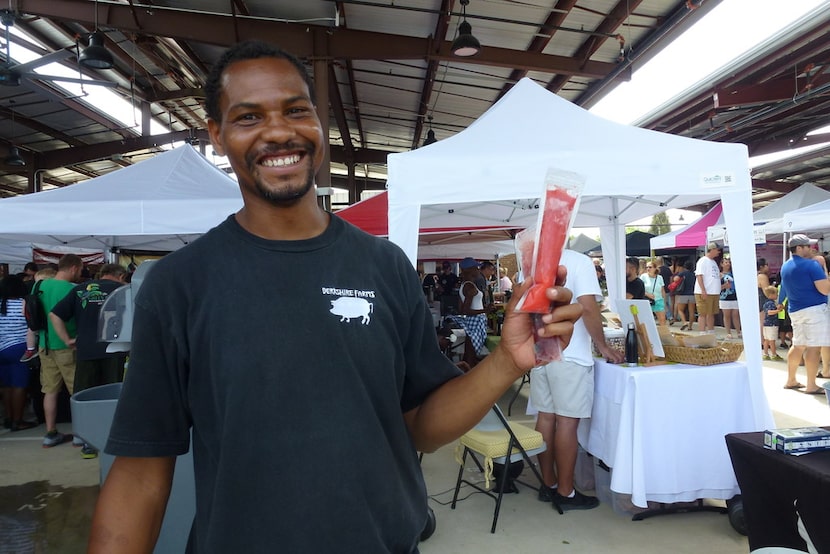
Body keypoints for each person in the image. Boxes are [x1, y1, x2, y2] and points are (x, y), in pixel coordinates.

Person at [88, 40, 581, 554]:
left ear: (318, 123)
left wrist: (505, 362)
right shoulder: (179, 284)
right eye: (249, 117)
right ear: (217, 133)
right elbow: (141, 472)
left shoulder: (385, 266)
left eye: (295, 110)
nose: (279, 131)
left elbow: (419, 428)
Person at [532, 249, 624, 512]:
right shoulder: (578, 261)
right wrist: (602, 345)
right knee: (566, 424)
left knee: (546, 417)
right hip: (570, 351)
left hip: (543, 348)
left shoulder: (536, 259)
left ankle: (548, 484)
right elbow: (588, 307)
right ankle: (565, 491)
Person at [49, 263, 129, 459]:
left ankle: (86, 442)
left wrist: (67, 339)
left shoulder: (79, 290)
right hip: (114, 349)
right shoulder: (124, 290)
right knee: (112, 396)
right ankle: (113, 440)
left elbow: (54, 314)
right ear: (119, 276)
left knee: (85, 396)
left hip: (86, 350)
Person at [38, 254, 83, 448]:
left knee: (50, 390)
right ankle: (80, 434)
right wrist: (68, 338)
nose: (80, 274)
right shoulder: (71, 289)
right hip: (68, 345)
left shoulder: (38, 286)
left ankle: (50, 432)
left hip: (44, 344)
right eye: (80, 270)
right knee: (77, 392)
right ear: (73, 268)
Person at [778, 234, 830, 394]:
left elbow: (784, 289)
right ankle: (811, 385)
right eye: (808, 246)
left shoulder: (785, 266)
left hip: (795, 310)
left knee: (798, 345)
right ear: (799, 248)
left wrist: (780, 302)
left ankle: (791, 379)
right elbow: (825, 289)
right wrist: (826, 273)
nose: (811, 248)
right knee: (813, 348)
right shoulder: (812, 266)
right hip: (814, 310)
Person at [0, 275, 37, 431]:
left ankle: (8, 418)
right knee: (19, 385)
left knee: (6, 386)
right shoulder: (23, 304)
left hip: (1, 349)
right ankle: (18, 420)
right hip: (19, 348)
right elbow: (32, 326)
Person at [455, 257, 491, 368]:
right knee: (471, 354)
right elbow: (465, 310)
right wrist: (485, 310)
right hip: (475, 322)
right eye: (476, 267)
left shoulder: (465, 285)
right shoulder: (469, 286)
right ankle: (467, 377)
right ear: (469, 270)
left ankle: (465, 374)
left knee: (470, 353)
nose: (478, 270)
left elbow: (461, 308)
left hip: (473, 322)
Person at [694, 243, 721, 333]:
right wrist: (703, 290)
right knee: (703, 313)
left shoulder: (713, 262)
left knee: (711, 313)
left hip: (713, 292)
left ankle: (711, 332)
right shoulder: (703, 261)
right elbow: (699, 275)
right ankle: (702, 333)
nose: (719, 252)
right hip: (705, 292)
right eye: (717, 250)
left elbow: (713, 277)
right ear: (712, 249)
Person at [719, 258, 741, 339]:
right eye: (726, 262)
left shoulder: (734, 274)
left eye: (729, 262)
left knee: (736, 315)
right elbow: (716, 287)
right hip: (724, 297)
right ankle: (728, 332)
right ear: (722, 264)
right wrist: (724, 286)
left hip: (735, 296)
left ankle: (738, 331)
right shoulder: (719, 274)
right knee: (727, 315)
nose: (728, 264)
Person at [640, 260, 666, 326]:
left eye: (650, 267)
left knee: (662, 319)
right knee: (647, 320)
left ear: (655, 268)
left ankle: (663, 333)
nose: (648, 269)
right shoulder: (643, 277)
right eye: (647, 267)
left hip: (658, 300)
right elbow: (640, 289)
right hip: (647, 300)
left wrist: (664, 301)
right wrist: (647, 294)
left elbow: (662, 290)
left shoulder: (660, 277)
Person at [674, 260, 697, 331]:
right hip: (692, 294)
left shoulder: (683, 273)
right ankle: (690, 326)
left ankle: (684, 322)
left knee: (680, 310)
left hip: (683, 294)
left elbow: (675, 279)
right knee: (692, 311)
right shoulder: (694, 274)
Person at [761, 285, 783, 361]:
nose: (777, 295)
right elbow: (769, 312)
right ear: (771, 295)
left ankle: (765, 354)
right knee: (772, 340)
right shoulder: (771, 303)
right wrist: (778, 311)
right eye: (776, 294)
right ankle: (774, 354)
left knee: (766, 340)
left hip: (766, 324)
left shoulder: (766, 303)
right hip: (772, 324)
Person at [656, 256, 674, 324]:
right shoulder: (668, 269)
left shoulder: (657, 270)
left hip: (660, 290)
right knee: (667, 304)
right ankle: (668, 317)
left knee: (662, 304)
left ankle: (669, 317)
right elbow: (671, 278)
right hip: (668, 289)